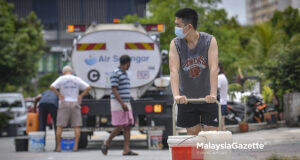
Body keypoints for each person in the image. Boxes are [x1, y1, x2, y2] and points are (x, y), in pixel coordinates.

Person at [169, 8, 219, 135]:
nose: (176, 29)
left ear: (189, 27)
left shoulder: (209, 41)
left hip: (207, 97)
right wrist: (176, 96)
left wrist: (213, 94)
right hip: (187, 99)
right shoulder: (175, 44)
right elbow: (173, 70)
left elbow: (213, 68)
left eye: (178, 25)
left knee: (211, 135)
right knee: (193, 137)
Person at [101, 55, 138, 156]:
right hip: (118, 103)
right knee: (120, 125)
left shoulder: (125, 73)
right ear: (128, 63)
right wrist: (122, 103)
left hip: (126, 102)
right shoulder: (116, 73)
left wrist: (125, 102)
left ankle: (126, 150)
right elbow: (114, 89)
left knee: (127, 126)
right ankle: (107, 142)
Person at [50, 66, 91, 152]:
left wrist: (59, 94)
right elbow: (88, 87)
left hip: (64, 103)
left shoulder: (61, 78)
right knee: (76, 126)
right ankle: (75, 147)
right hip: (74, 103)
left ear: (63, 72)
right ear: (71, 72)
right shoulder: (76, 79)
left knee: (60, 126)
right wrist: (80, 96)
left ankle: (58, 147)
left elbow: (52, 87)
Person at [217, 62, 228, 131]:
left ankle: (221, 140)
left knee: (219, 124)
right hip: (223, 102)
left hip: (219, 103)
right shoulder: (223, 76)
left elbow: (216, 88)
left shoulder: (219, 77)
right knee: (222, 123)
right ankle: (225, 140)